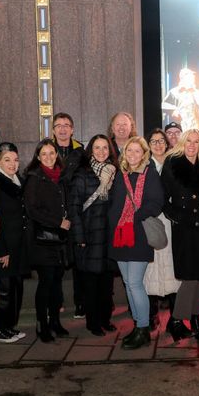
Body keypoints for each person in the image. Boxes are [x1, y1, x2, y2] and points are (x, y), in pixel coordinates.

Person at [161, 129, 199, 342]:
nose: (192, 145)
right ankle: (177, 319)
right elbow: (163, 196)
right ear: (182, 143)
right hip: (183, 226)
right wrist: (175, 216)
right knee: (188, 274)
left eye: (196, 142)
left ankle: (195, 319)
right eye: (188, 141)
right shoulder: (172, 165)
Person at [108, 136, 164, 349]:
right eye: (129, 151)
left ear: (144, 154)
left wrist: (136, 217)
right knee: (128, 285)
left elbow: (156, 203)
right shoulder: (120, 174)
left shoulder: (149, 175)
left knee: (135, 284)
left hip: (139, 235)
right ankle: (137, 327)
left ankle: (143, 328)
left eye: (137, 151)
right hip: (120, 236)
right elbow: (114, 203)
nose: (132, 155)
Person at [68, 135, 118, 336]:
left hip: (109, 236)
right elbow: (74, 208)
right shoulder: (82, 175)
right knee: (91, 284)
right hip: (89, 237)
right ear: (90, 150)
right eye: (97, 148)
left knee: (107, 283)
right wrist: (79, 237)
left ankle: (105, 319)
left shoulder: (115, 173)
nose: (101, 151)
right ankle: (93, 322)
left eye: (105, 148)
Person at [24, 139, 72, 343]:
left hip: (60, 240)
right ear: (38, 156)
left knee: (56, 284)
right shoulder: (34, 178)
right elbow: (32, 210)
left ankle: (55, 322)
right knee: (46, 283)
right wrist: (58, 222)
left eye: (52, 153)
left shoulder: (61, 176)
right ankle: (42, 324)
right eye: (44, 154)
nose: (49, 157)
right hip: (43, 240)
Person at [0, 142, 30, 342]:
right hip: (3, 247)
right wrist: (1, 250)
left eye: (15, 160)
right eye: (7, 160)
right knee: (3, 291)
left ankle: (10, 326)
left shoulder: (18, 181)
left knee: (15, 289)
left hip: (19, 246)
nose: (12, 164)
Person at [143, 129, 180, 331]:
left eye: (161, 141)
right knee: (150, 265)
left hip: (170, 220)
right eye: (153, 141)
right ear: (148, 144)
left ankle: (175, 316)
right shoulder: (144, 165)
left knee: (172, 264)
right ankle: (151, 314)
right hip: (151, 221)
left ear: (167, 144)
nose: (157, 144)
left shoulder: (174, 163)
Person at [52, 112, 86, 319]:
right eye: (59, 125)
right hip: (54, 213)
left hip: (76, 211)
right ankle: (57, 302)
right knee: (55, 263)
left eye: (67, 125)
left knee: (78, 262)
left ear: (72, 129)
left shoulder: (81, 152)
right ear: (53, 129)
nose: (63, 129)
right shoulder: (47, 150)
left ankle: (80, 303)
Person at [161, 68, 199, 132]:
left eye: (193, 77)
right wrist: (173, 111)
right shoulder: (174, 92)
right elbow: (163, 105)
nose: (192, 78)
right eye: (190, 76)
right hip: (180, 130)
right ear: (183, 78)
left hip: (197, 131)